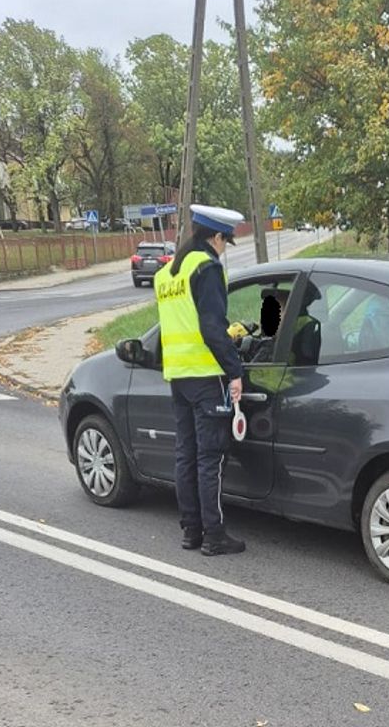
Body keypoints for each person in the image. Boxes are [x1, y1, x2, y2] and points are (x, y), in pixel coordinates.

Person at [153, 204, 247, 556]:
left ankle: (191, 531)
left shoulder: (168, 274)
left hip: (178, 376)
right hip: (207, 376)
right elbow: (209, 327)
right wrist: (234, 370)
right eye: (226, 242)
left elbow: (179, 325)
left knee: (186, 455)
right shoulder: (206, 268)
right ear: (217, 237)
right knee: (211, 459)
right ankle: (215, 535)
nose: (225, 249)